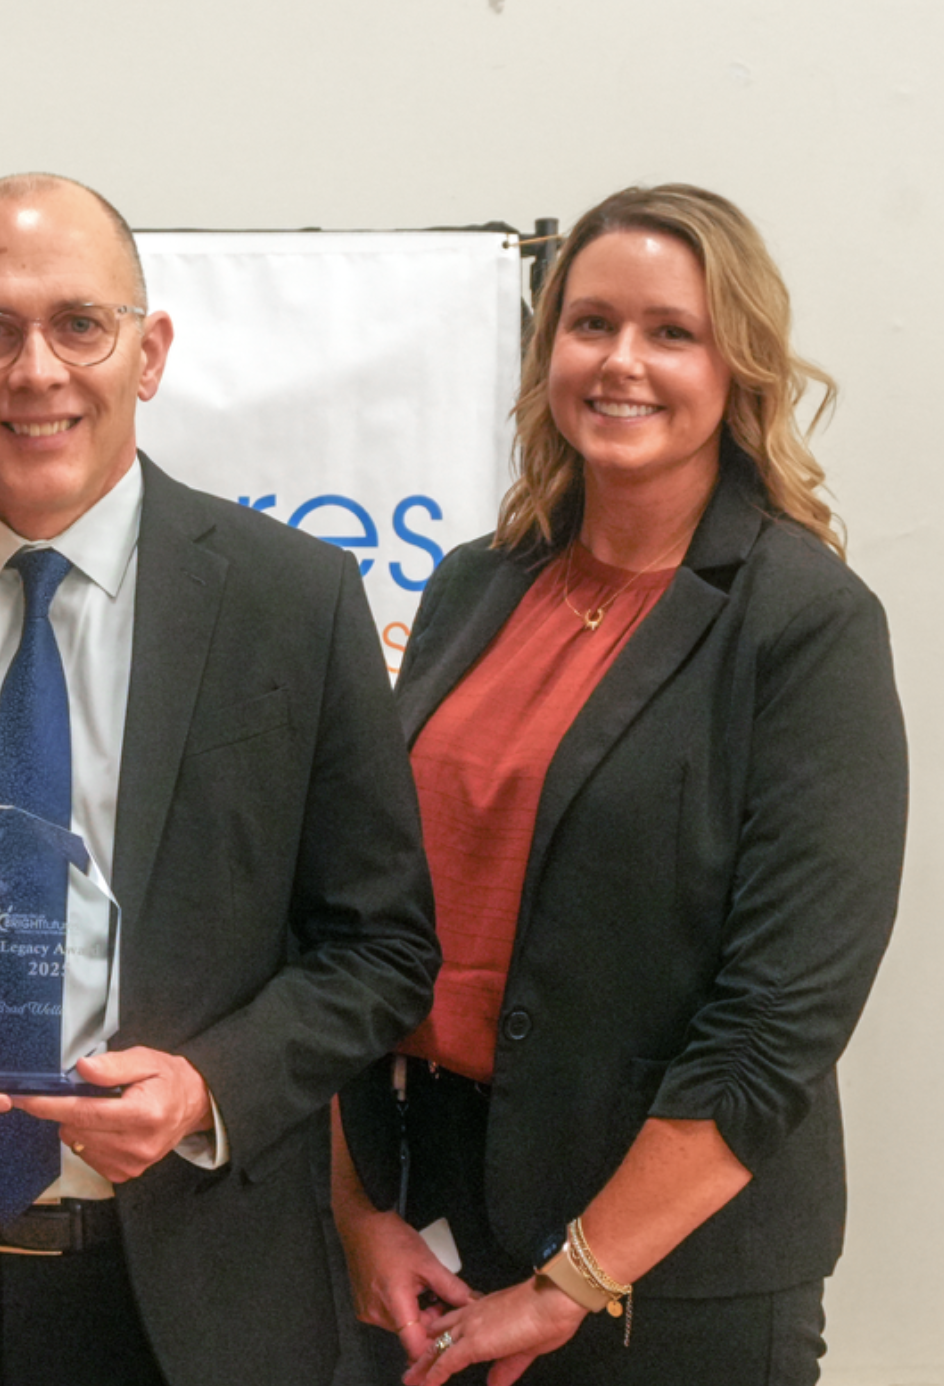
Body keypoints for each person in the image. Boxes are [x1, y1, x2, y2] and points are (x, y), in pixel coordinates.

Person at [0, 172, 439, 1386]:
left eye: (80, 323)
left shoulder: (294, 605)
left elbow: (379, 948)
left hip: (194, 1300)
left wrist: (208, 1086)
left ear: (148, 350)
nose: (37, 371)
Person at [330, 184, 907, 1386]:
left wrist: (569, 1282)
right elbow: (359, 916)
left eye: (670, 332)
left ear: (737, 366)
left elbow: (778, 1023)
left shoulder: (804, 626)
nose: (621, 362)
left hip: (665, 1283)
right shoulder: (472, 587)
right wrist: (357, 1213)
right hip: (428, 1242)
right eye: (589, 324)